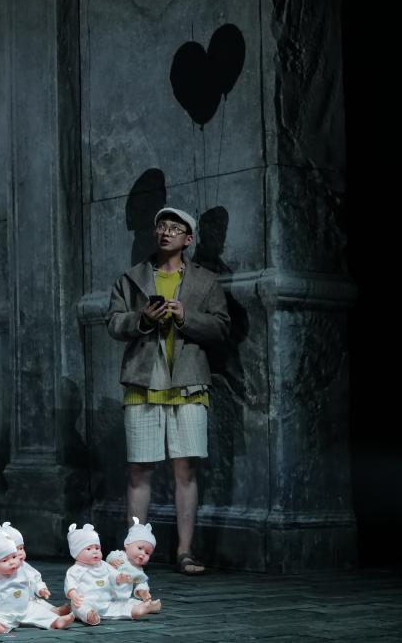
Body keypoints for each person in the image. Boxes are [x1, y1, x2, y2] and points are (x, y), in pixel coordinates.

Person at [105, 206, 229, 576]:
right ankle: (133, 554)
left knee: (185, 469)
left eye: (175, 228)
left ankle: (185, 551)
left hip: (188, 381)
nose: (166, 232)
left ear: (188, 239)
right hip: (143, 381)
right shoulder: (132, 277)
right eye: (162, 226)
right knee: (139, 470)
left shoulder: (206, 281)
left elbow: (222, 328)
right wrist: (142, 318)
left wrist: (185, 316)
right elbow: (113, 322)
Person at [0, 527, 75, 633]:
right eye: (5, 560)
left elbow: (34, 578)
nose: (12, 562)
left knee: (39, 611)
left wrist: (40, 588)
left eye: (14, 557)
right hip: (3, 612)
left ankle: (56, 621)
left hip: (26, 608)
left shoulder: (22, 569)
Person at [63, 523, 158, 623]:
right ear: (76, 552)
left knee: (119, 607)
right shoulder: (75, 570)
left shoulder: (103, 565)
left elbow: (113, 573)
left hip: (106, 602)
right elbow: (70, 584)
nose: (95, 551)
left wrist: (119, 577)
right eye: (89, 549)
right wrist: (72, 594)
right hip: (85, 601)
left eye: (97, 548)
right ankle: (89, 616)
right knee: (78, 608)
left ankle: (135, 610)